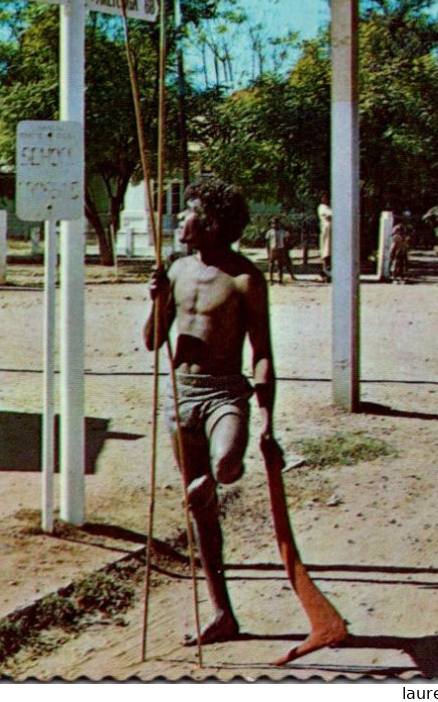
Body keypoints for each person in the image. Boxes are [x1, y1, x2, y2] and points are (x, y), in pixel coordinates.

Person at [145, 178, 275, 645]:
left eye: (189, 211)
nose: (181, 218)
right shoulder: (176, 271)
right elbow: (151, 340)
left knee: (223, 463)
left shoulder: (245, 278)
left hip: (225, 395)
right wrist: (156, 300)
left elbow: (262, 353)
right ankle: (222, 613)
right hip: (182, 396)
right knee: (201, 514)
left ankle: (219, 475)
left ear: (213, 223)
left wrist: (267, 422)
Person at [265, 216, 296, 284]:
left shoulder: (282, 232)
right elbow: (267, 243)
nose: (274, 225)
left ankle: (280, 280)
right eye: (272, 224)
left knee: (280, 265)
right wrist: (268, 252)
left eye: (276, 223)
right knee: (271, 265)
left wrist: (285, 250)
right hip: (273, 249)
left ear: (278, 224)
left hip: (280, 249)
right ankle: (271, 279)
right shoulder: (269, 232)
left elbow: (285, 241)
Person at [317, 194, 332, 282]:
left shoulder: (330, 207)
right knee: (326, 251)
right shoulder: (322, 207)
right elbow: (328, 216)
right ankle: (326, 273)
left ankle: (328, 274)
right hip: (327, 232)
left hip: (332, 232)